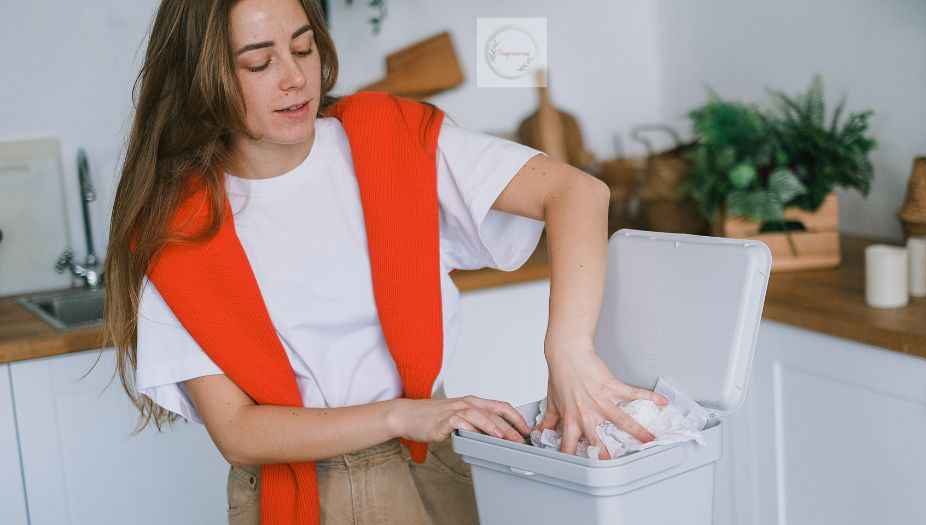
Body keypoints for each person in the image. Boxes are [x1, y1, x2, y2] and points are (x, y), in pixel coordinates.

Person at [104, 0, 668, 524]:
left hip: (429, 462)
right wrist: (400, 415)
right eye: (259, 63)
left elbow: (576, 193)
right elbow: (238, 432)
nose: (295, 77)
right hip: (296, 493)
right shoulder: (179, 229)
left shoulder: (389, 137)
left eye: (303, 49)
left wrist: (567, 350)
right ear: (203, 80)